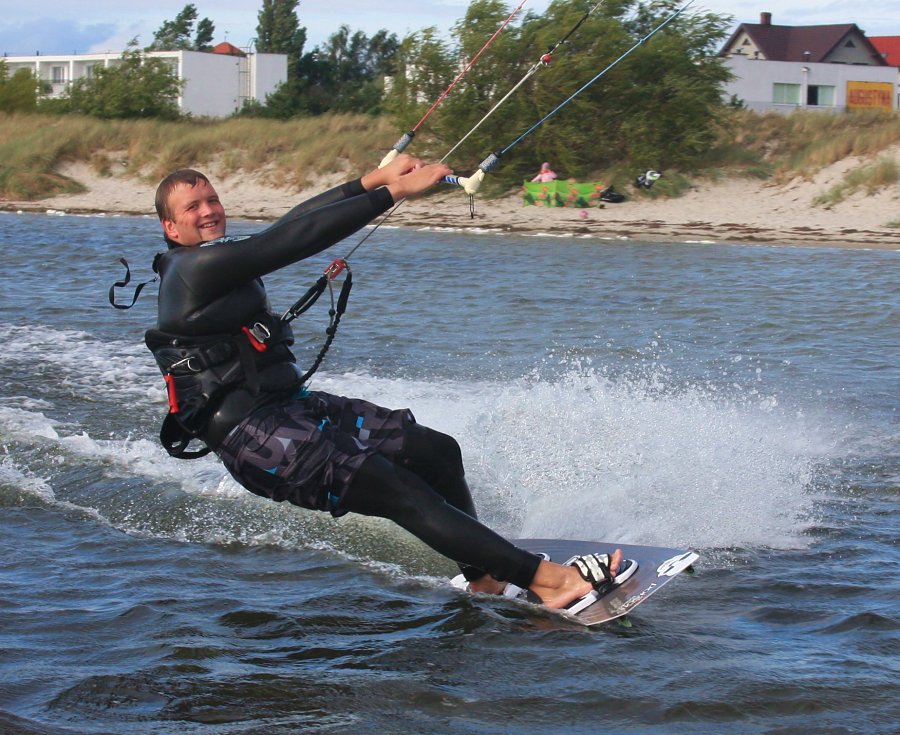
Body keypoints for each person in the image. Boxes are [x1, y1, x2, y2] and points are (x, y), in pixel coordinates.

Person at [145, 153, 630, 611]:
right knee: (400, 490)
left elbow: (288, 226)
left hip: (290, 408)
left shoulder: (217, 256)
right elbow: (291, 241)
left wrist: (370, 181)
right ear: (171, 227)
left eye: (212, 199)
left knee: (436, 454)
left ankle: (485, 576)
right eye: (193, 206)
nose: (209, 211)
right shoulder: (191, 269)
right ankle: (552, 583)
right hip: (253, 436)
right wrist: (393, 193)